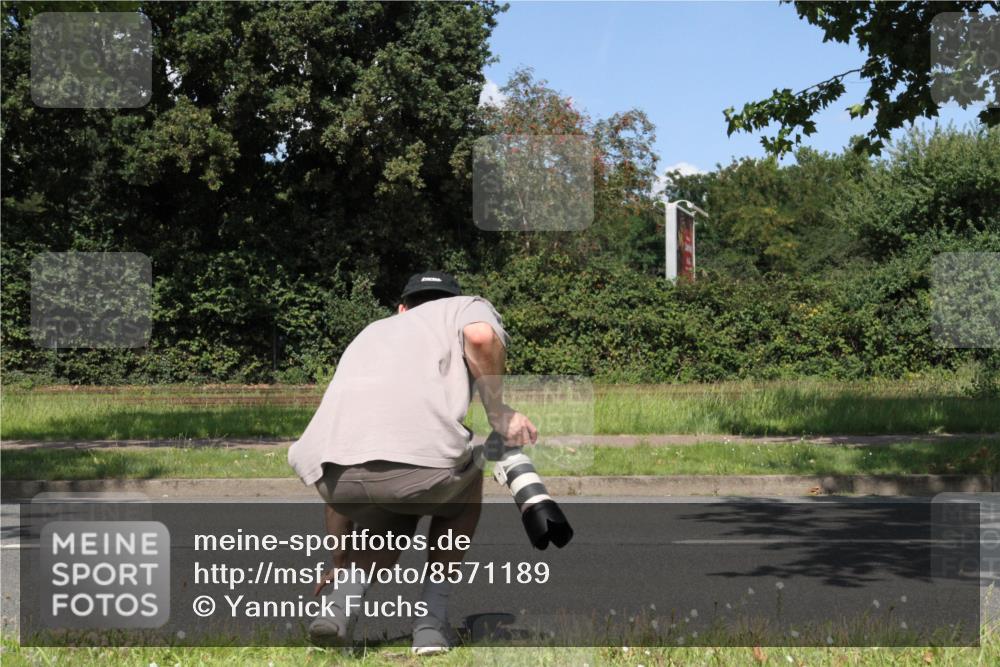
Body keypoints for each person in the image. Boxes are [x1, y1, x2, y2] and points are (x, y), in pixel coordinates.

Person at [288, 270, 538, 655]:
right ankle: (431, 624)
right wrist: (498, 411)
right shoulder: (462, 309)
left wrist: (339, 558)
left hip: (333, 476)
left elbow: (341, 451)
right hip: (420, 474)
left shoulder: (372, 332)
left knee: (395, 510)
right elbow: (480, 336)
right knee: (465, 472)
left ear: (401, 307)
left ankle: (338, 608)